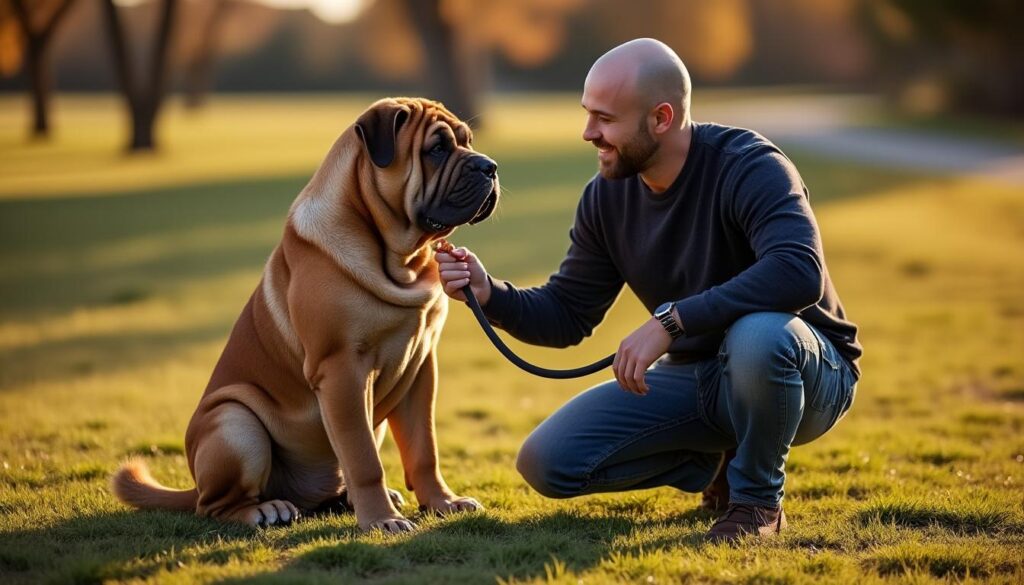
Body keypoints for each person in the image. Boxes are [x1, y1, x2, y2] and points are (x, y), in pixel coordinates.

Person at [434, 38, 860, 543]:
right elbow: (569, 313)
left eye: (605, 119)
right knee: (547, 463)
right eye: (588, 114)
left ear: (661, 118)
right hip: (699, 377)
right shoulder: (606, 197)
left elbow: (798, 271)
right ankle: (714, 459)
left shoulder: (751, 165)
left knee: (758, 336)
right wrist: (489, 293)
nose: (589, 132)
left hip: (807, 374)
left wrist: (671, 321)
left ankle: (755, 503)